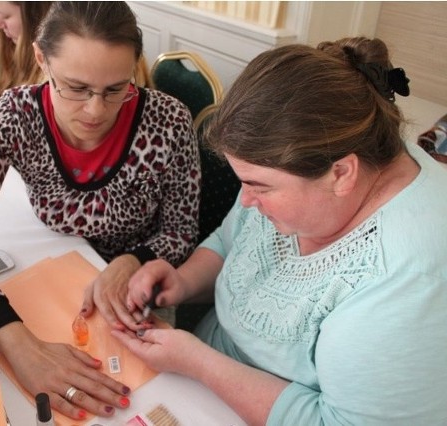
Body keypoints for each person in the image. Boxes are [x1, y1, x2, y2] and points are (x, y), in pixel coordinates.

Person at [114, 37, 447, 425]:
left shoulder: (408, 280)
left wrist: (198, 363)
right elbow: (230, 238)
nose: (247, 200)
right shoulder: (342, 143)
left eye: (259, 186)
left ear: (342, 174)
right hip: (195, 373)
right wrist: (183, 281)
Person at [0, 1, 200, 421]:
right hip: (53, 264)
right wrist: (16, 341)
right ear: (41, 58)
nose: (95, 111)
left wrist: (134, 259)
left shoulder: (168, 121)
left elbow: (182, 231)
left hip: (139, 287)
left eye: (115, 89)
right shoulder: (11, 117)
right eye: (74, 87)